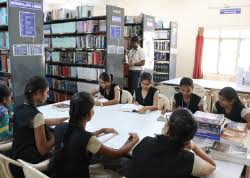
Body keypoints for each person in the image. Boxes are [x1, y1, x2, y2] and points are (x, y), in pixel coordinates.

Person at [49, 92, 139, 178]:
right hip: (78, 175)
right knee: (123, 161)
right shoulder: (86, 138)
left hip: (58, 174)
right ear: (89, 114)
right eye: (93, 108)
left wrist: (101, 130)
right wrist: (135, 140)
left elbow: (75, 136)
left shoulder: (60, 127)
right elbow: (117, 154)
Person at [128, 109, 216, 178]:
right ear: (189, 138)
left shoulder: (146, 142)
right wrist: (195, 147)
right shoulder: (188, 158)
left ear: (168, 128)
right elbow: (212, 166)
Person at [10, 76, 68, 178]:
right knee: (64, 154)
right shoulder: (37, 116)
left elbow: (40, 123)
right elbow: (43, 149)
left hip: (15, 160)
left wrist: (63, 119)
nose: (48, 95)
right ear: (38, 93)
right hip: (30, 167)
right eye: (46, 92)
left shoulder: (18, 109)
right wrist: (56, 136)